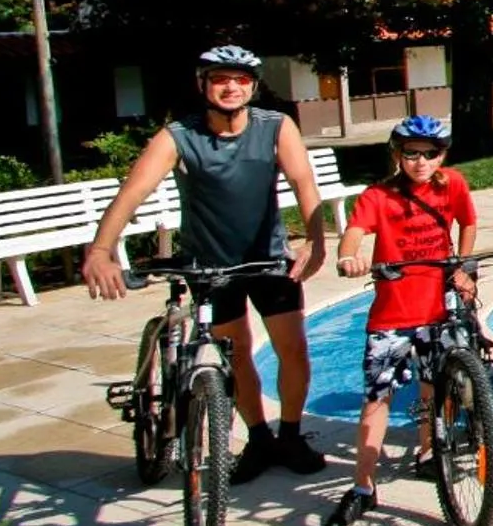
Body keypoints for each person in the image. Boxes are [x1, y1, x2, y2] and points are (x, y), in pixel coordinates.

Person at [82, 44, 329, 483]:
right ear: (203, 85)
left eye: (239, 79)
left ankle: (289, 434)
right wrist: (100, 250)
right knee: (236, 356)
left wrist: (316, 241)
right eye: (219, 79)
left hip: (269, 259)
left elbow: (302, 181)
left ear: (252, 86)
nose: (230, 87)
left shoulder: (276, 127)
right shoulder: (179, 135)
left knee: (292, 349)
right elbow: (134, 191)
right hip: (209, 265)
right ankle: (258, 437)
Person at [323, 117, 477, 526]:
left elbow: (468, 221)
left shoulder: (452, 185)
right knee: (378, 398)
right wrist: (349, 255)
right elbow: (354, 231)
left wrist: (461, 265)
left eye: (431, 153)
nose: (421, 161)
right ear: (397, 155)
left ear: (442, 155)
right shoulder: (379, 195)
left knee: (433, 387)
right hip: (392, 315)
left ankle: (427, 453)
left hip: (436, 311)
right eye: (411, 153)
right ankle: (362, 485)